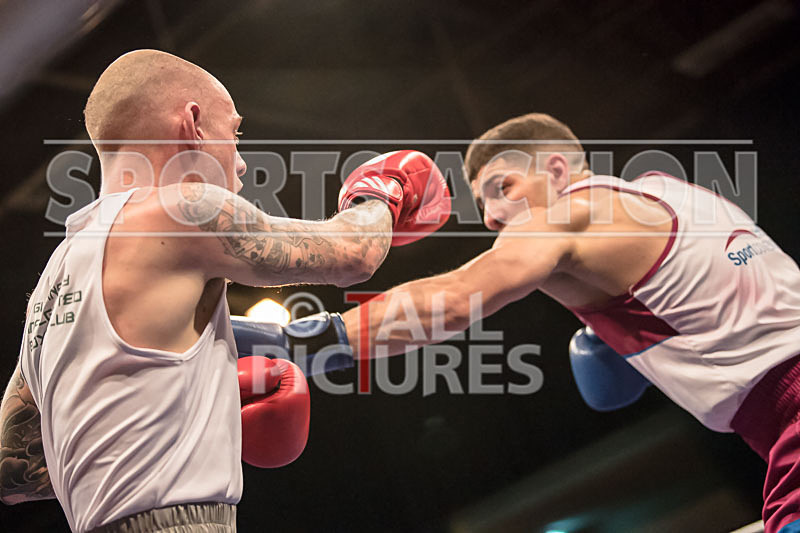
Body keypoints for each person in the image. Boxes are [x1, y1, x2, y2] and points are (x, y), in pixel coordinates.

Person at [245, 112, 800, 533]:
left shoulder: (563, 218)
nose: (492, 217)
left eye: (502, 188)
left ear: (556, 169)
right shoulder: (675, 191)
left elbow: (454, 298)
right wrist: (612, 334)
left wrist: (304, 342)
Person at [0, 49, 450, 533]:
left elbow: (14, 473)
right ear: (192, 124)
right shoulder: (183, 210)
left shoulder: (55, 280)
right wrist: (383, 191)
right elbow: (354, 254)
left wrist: (182, 416)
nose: (241, 162)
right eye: (234, 134)